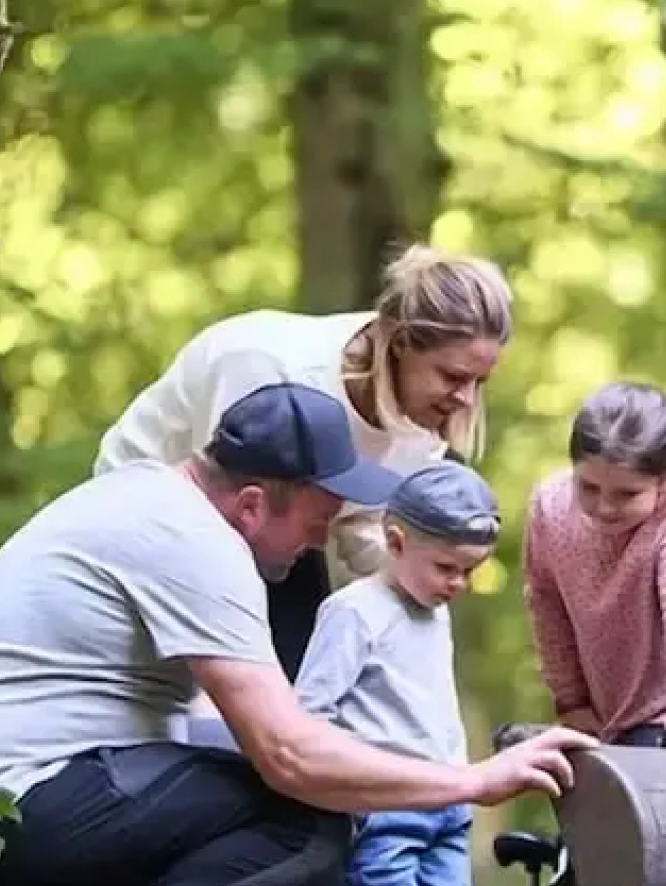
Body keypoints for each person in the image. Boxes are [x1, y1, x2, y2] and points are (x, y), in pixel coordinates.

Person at [0, 382, 595, 886]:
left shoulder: (155, 505)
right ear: (253, 504)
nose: (322, 544)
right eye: (317, 523)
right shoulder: (196, 545)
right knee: (309, 818)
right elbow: (287, 755)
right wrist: (474, 779)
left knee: (294, 836)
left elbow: (209, 735)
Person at [95, 244, 513, 681]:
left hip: (281, 529)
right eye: (452, 377)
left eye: (479, 382)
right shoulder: (273, 372)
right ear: (402, 341)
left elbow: (364, 531)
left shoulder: (426, 420)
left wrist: (417, 583)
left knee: (308, 676)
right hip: (161, 519)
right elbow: (225, 515)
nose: (465, 399)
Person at [182, 460, 501, 886]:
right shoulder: (353, 612)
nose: (459, 583)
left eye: (470, 571)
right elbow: (312, 710)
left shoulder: (436, 612)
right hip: (389, 808)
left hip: (449, 802)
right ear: (396, 542)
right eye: (447, 568)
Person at [520, 381, 666, 753]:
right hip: (599, 716)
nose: (604, 506)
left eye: (626, 494)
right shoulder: (550, 508)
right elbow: (547, 606)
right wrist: (571, 701)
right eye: (589, 487)